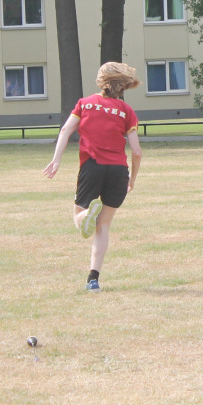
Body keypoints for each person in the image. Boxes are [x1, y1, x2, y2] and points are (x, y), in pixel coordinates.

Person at [43, 62, 143, 291]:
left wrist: (56, 159)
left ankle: (87, 214)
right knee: (104, 225)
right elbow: (136, 152)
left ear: (101, 81)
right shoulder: (127, 111)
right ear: (122, 86)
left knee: (79, 216)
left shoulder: (85, 104)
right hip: (118, 170)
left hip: (92, 166)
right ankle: (93, 279)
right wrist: (133, 179)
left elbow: (66, 130)